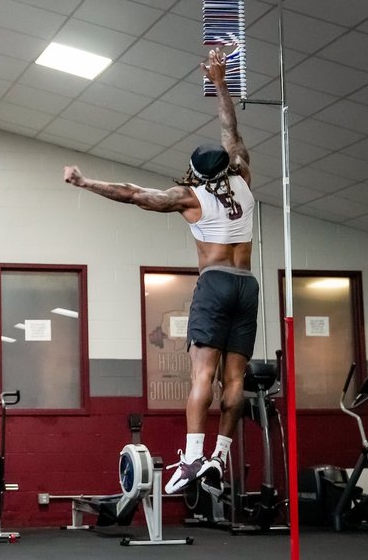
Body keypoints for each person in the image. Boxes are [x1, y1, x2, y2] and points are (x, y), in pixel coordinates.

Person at [62, 47, 255, 496]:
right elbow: (232, 129)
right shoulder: (243, 175)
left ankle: (191, 459)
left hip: (215, 282)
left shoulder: (190, 197)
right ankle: (219, 459)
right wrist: (220, 80)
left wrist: (85, 182)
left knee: (202, 375)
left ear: (197, 177)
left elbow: (133, 194)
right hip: (249, 286)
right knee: (236, 380)